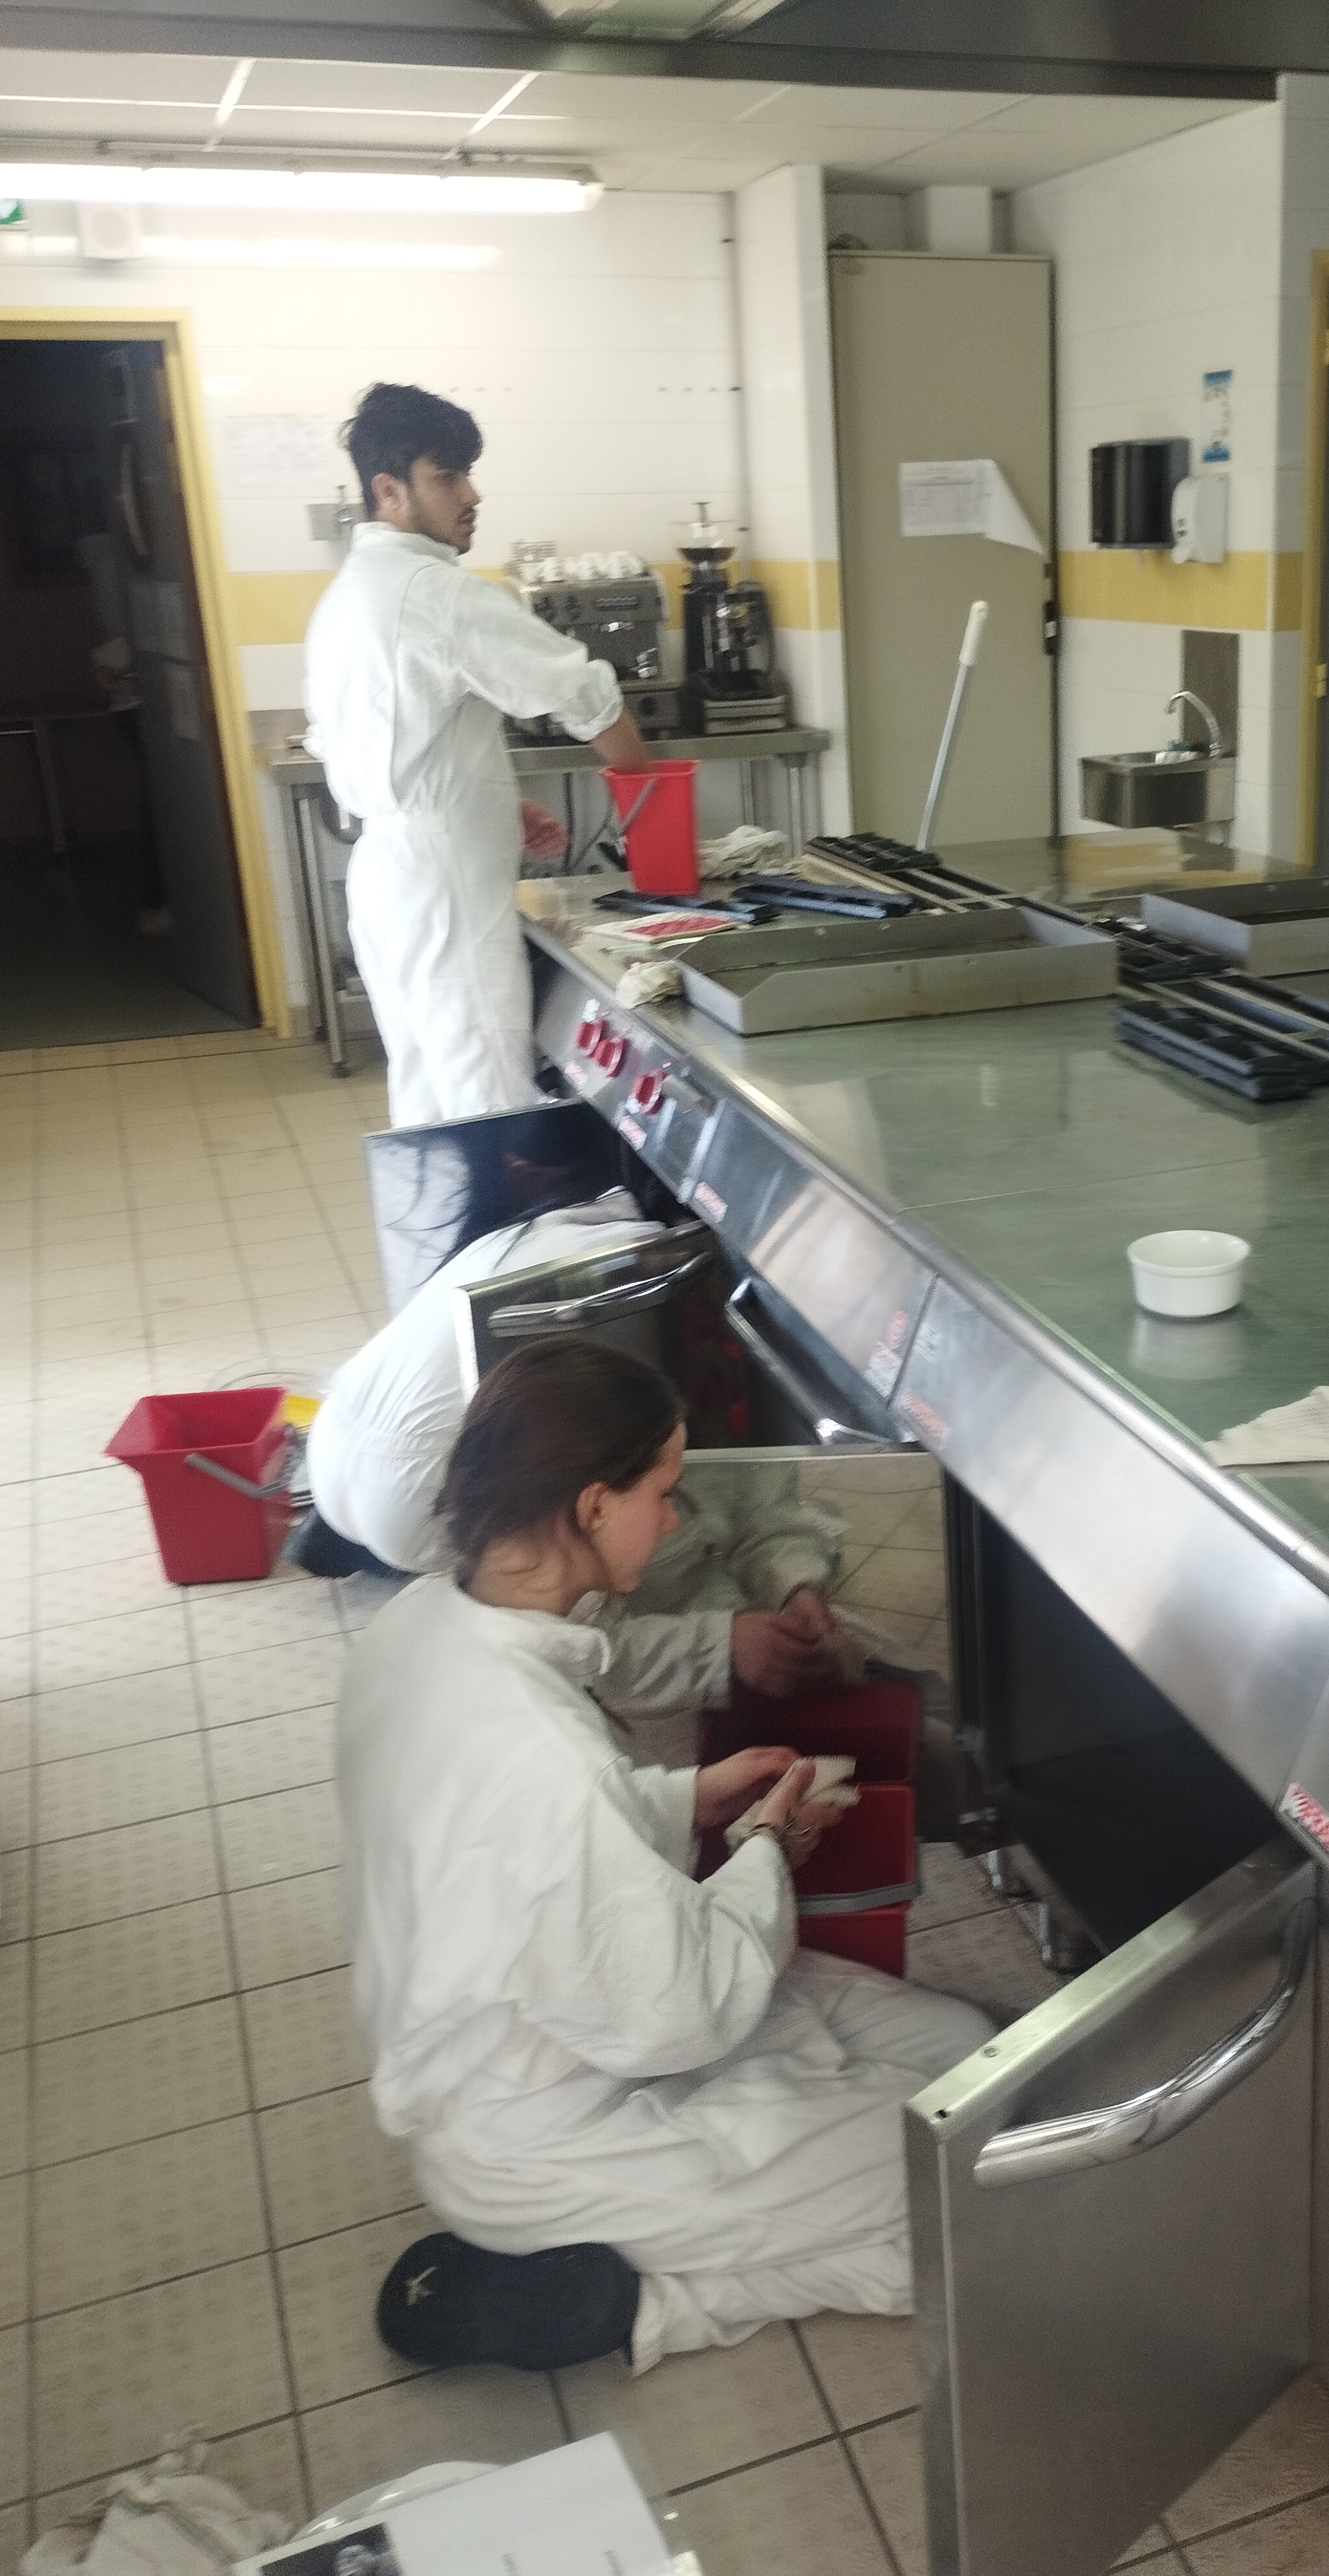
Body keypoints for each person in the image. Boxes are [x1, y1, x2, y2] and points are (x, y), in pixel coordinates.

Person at [336, 1339, 991, 2369]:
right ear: (594, 1506)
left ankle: (667, 2240)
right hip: (550, 2138)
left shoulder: (418, 1626)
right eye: (663, 1491)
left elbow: (515, 1853)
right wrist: (766, 1846)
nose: (676, 1518)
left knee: (963, 2051)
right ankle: (622, 2303)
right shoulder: (549, 1767)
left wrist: (688, 1797)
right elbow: (681, 2014)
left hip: (555, 2037)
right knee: (964, 2178)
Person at [304, 1195, 843, 1716]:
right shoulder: (647, 1286)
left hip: (331, 1445)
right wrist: (727, 1643)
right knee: (591, 1571)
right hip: (418, 1493)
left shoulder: (564, 1228)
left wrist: (793, 1582)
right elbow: (582, 1644)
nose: (671, 1516)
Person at [303, 383, 652, 1128]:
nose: (471, 495)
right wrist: (655, 811)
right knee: (493, 1103)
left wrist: (492, 799)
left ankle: (449, 1209)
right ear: (389, 491)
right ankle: (503, 1206)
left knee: (430, 1099)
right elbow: (589, 694)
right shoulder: (435, 592)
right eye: (448, 477)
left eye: (467, 473)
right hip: (446, 892)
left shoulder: (348, 596)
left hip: (390, 880)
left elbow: (384, 738)